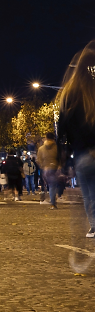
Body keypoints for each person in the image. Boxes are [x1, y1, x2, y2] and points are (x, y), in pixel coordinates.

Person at [57, 40, 95, 238]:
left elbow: (62, 130)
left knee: (89, 194)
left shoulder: (69, 94)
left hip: (82, 155)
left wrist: (65, 161)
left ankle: (93, 226)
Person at [37, 134, 61, 209]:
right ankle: (54, 200)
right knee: (54, 185)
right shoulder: (57, 148)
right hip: (55, 168)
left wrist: (43, 166)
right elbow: (61, 158)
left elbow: (38, 160)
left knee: (51, 186)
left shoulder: (41, 149)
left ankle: (53, 203)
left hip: (46, 169)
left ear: (46, 138)